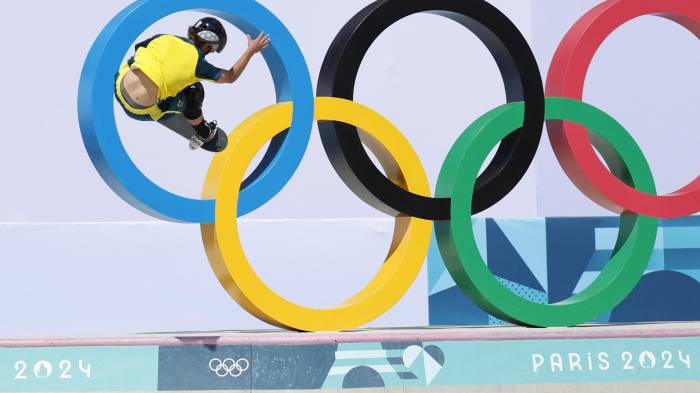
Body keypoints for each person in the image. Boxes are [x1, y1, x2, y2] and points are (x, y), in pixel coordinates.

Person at [114, 17, 270, 150]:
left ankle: (160, 93)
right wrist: (251, 50)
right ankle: (203, 132)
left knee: (139, 62)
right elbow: (231, 76)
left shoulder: (165, 37)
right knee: (195, 90)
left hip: (118, 84)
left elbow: (139, 48)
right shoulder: (199, 64)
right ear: (209, 46)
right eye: (212, 50)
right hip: (139, 110)